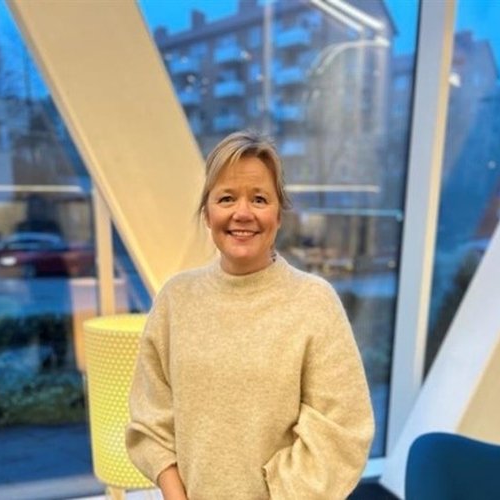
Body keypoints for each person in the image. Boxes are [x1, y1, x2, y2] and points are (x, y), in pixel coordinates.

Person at [126, 130, 374, 500]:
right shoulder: (176, 299)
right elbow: (151, 417)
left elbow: (342, 431)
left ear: (278, 214)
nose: (242, 213)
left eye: (259, 199)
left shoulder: (314, 302)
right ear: (207, 212)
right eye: (227, 198)